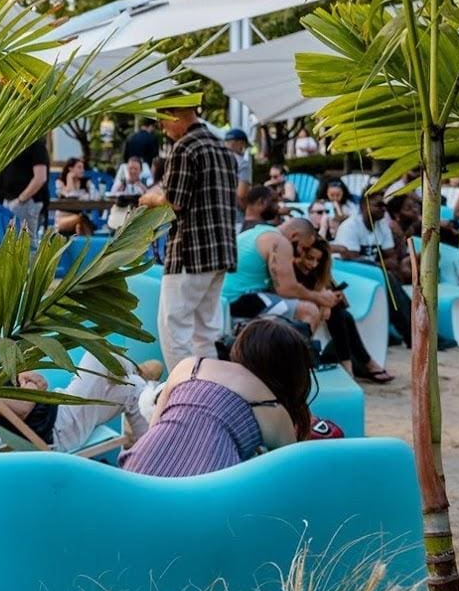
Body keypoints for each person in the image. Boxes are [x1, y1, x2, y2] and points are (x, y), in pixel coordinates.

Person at [123, 317, 315, 478]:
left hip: (140, 467)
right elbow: (290, 477)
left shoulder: (190, 366)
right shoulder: (272, 408)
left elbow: (155, 427)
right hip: (208, 488)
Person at [141, 103, 239, 369]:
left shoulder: (185, 147)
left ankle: (185, 393)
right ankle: (209, 390)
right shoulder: (223, 149)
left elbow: (174, 201)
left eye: (163, 121)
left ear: (175, 116)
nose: (162, 128)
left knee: (174, 327)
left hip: (191, 250)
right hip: (221, 251)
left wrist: (149, 198)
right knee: (206, 331)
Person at [291, 233, 392, 383]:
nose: (313, 264)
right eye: (310, 258)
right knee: (341, 315)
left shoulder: (317, 272)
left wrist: (327, 300)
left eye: (318, 260)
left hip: (319, 311)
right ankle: (360, 364)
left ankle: (353, 366)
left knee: (342, 314)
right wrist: (324, 302)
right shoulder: (290, 269)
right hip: (299, 309)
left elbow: (327, 292)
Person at [0, 135, 50, 234]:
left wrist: (20, 199)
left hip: (27, 202)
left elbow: (40, 178)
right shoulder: (10, 146)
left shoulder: (36, 145)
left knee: (27, 243)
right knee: (9, 242)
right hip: (8, 202)